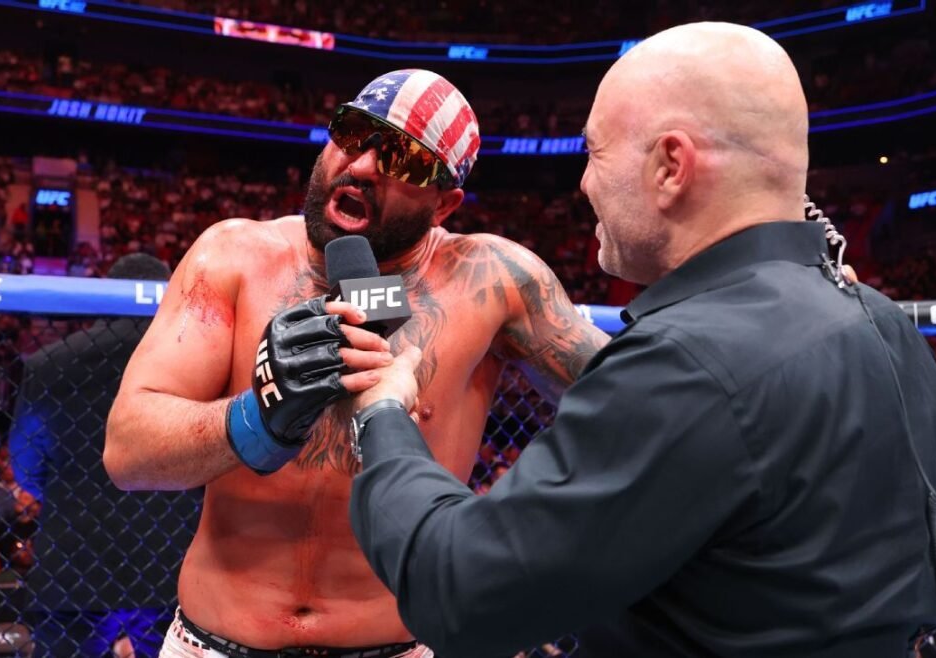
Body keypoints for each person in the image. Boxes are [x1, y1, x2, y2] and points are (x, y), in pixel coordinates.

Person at [346, 22, 936, 658]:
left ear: (671, 166)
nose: (583, 183)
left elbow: (461, 593)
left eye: (594, 153)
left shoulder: (690, 362)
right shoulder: (885, 323)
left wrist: (383, 415)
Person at [103, 69, 609, 657]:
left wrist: (518, 537)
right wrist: (256, 417)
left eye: (403, 159)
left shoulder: (493, 281)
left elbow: (640, 401)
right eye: (352, 133)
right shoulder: (233, 257)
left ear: (444, 204)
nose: (364, 166)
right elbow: (127, 454)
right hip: (213, 643)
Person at [10, 253, 200, 657]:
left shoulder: (51, 362)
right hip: (170, 555)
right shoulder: (196, 357)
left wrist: (72, 492)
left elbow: (26, 463)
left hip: (74, 554)